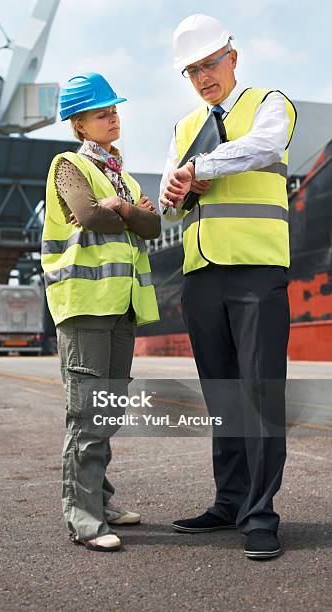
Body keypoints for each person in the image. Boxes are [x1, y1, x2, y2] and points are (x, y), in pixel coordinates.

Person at [160, 14, 296, 560]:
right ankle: (230, 501)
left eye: (209, 65)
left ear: (232, 58)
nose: (202, 78)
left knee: (260, 393)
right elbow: (173, 186)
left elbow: (262, 149)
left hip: (256, 271)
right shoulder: (185, 125)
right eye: (192, 71)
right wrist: (174, 186)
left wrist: (198, 168)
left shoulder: (270, 103)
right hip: (201, 277)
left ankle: (260, 516)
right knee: (223, 397)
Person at [41, 72, 160, 552]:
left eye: (113, 110)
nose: (113, 118)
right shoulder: (67, 165)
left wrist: (125, 208)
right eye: (101, 113)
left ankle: (100, 499)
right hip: (85, 304)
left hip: (122, 305)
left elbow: (152, 225)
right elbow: (88, 215)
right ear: (80, 125)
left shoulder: (122, 177)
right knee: (86, 413)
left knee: (107, 411)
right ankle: (83, 517)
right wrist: (125, 210)